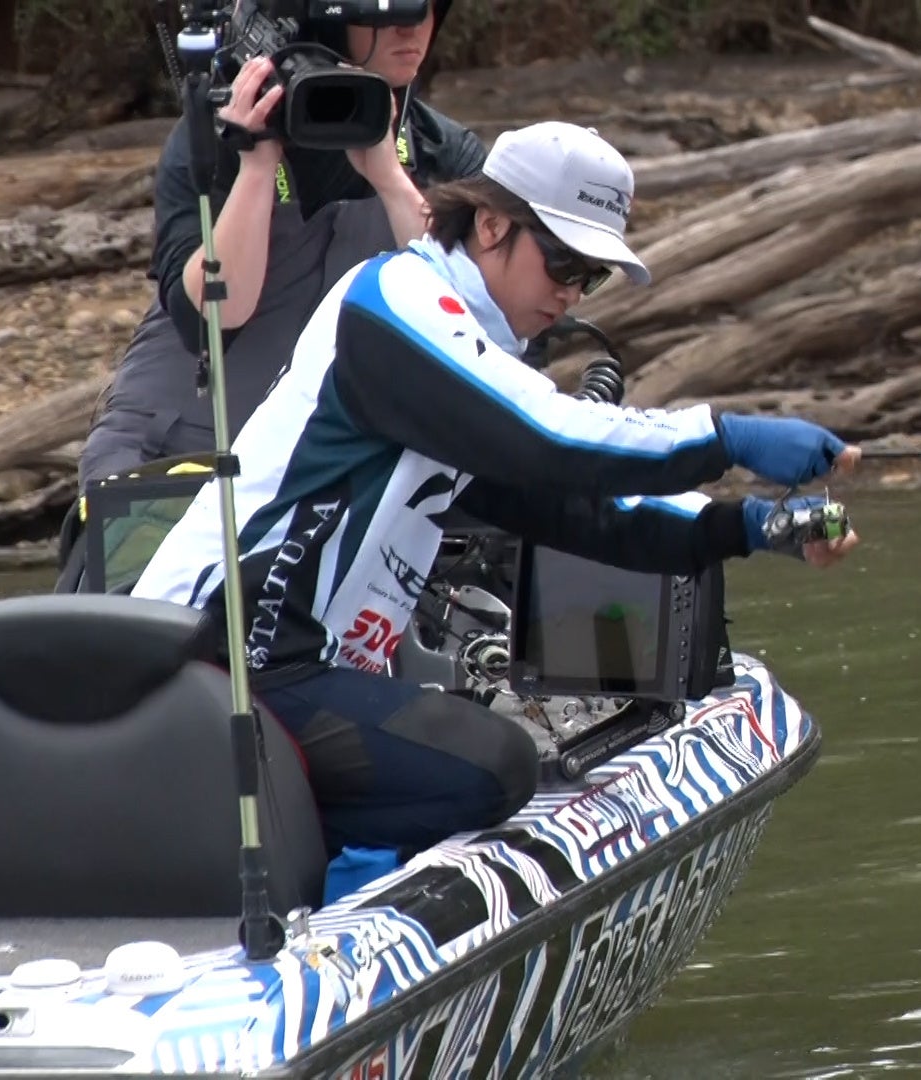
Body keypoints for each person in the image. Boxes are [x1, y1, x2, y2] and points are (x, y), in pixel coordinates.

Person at [132, 121, 859, 860]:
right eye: (563, 262)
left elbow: (576, 510)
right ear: (490, 225)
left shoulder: (464, 356)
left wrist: (747, 526)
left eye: (591, 277)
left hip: (294, 674)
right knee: (496, 765)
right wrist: (728, 438)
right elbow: (550, 438)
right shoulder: (395, 300)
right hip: (224, 657)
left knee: (487, 757)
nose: (570, 294)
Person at [59, 0, 479, 588]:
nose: (411, 25)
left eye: (424, 5)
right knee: (158, 634)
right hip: (181, 454)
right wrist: (255, 169)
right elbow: (213, 314)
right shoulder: (214, 134)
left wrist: (389, 178)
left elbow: (470, 322)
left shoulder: (440, 149)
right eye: (381, 8)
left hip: (327, 466)